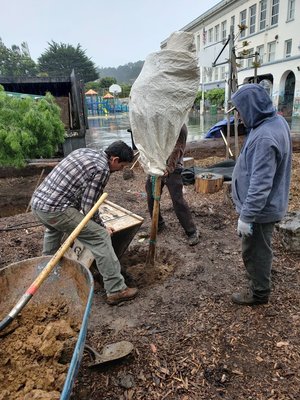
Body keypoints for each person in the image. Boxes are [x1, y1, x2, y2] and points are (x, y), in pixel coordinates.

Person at [30, 141, 138, 306]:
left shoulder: (84, 152)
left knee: (53, 229)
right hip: (55, 210)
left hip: (39, 204)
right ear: (115, 160)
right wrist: (101, 227)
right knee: (100, 237)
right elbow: (89, 206)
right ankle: (116, 290)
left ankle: (47, 273)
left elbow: (76, 190)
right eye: (122, 166)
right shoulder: (102, 169)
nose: (121, 170)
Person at [230, 83, 292, 306]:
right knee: (261, 247)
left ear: (251, 107)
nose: (238, 116)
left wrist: (247, 217)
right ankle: (261, 277)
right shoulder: (275, 121)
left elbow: (260, 185)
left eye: (239, 110)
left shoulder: (265, 137)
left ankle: (259, 293)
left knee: (255, 250)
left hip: (260, 211)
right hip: (268, 205)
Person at [145, 124, 199, 246]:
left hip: (173, 168)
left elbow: (178, 148)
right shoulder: (159, 122)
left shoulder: (180, 126)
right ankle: (159, 224)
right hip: (156, 165)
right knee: (151, 194)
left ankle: (192, 231)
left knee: (177, 199)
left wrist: (169, 167)